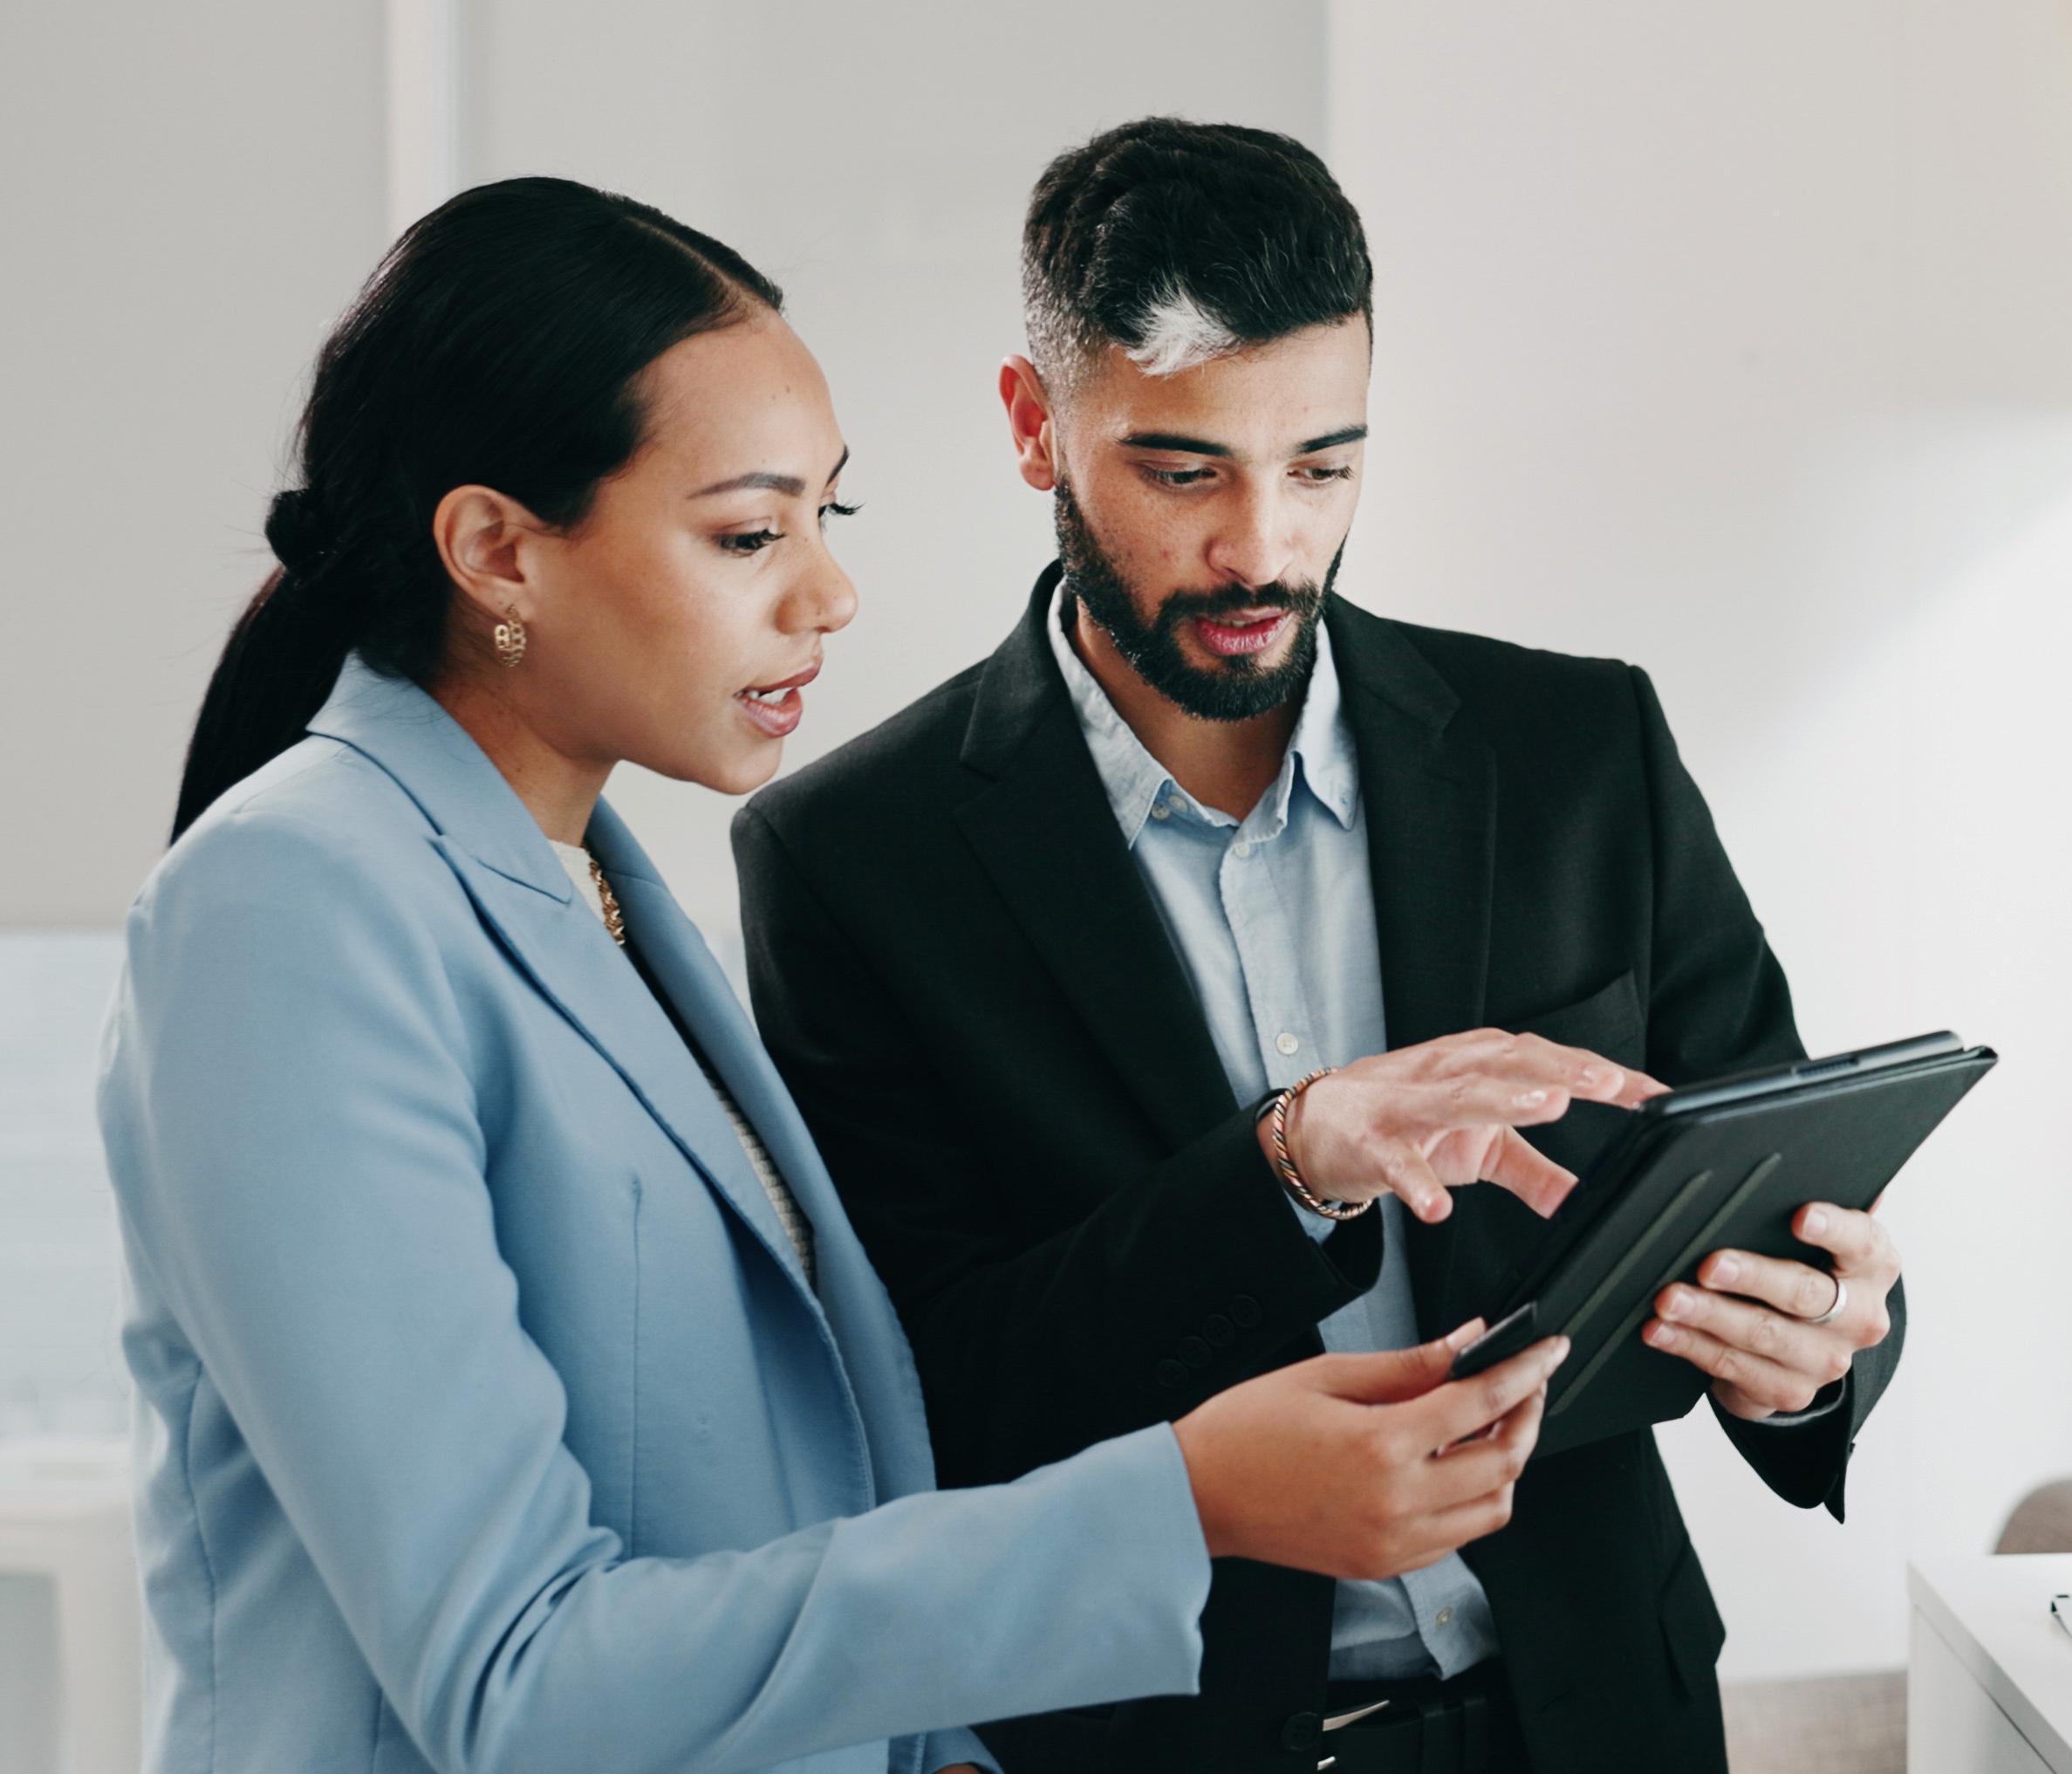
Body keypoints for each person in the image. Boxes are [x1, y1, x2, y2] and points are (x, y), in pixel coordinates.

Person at [96, 176, 1583, 1774]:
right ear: (494, 552)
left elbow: (813, 1503)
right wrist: (1188, 1496)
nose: (830, 594)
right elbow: (517, 1678)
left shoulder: (601, 891)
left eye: (829, 514)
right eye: (749, 531)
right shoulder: (292, 900)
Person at [734, 120, 1906, 1774]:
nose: (1263, 548)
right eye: (1184, 469)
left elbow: (1777, 1196)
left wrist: (1814, 1353)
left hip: (1597, 1724)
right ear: (1033, 427)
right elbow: (928, 1400)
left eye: (1324, 465)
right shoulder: (851, 859)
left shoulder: (1580, 751)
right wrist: (1282, 1167)